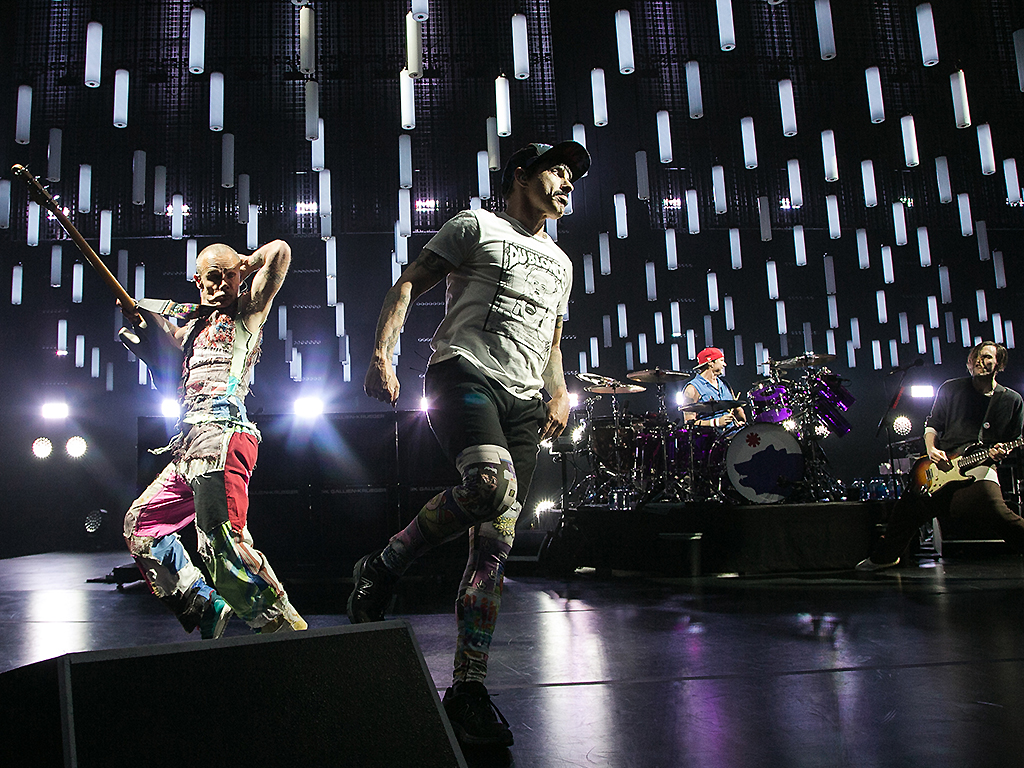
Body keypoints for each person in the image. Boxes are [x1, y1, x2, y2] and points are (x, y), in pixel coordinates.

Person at [350, 140, 590, 747]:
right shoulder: (474, 225)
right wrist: (382, 351)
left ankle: (469, 687)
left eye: (571, 176)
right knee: (488, 487)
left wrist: (559, 393)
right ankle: (388, 562)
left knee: (495, 547)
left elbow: (554, 338)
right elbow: (409, 283)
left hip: (527, 399)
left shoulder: (560, 262)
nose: (565, 183)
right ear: (520, 176)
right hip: (464, 371)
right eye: (554, 171)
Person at [122, 240, 307, 637]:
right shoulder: (188, 328)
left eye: (231, 276)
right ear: (197, 280)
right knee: (141, 525)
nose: (222, 284)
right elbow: (164, 344)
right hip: (187, 444)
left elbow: (280, 253)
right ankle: (203, 603)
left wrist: (246, 262)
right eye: (213, 276)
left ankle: (281, 626)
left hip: (223, 437)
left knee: (222, 543)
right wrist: (143, 328)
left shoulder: (247, 313)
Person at [857, 341, 1024, 571]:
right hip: (943, 464)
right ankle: (884, 557)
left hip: (981, 464)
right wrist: (932, 449)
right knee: (909, 507)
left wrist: (1000, 452)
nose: (979, 361)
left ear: (999, 363)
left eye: (986, 357)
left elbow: (1014, 440)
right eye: (976, 356)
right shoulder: (951, 388)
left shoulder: (1011, 400)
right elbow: (932, 424)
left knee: (995, 510)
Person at [680, 347, 746, 428]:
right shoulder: (692, 388)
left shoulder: (725, 384)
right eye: (721, 360)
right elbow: (689, 423)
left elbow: (737, 411)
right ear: (711, 363)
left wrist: (740, 421)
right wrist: (715, 423)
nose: (724, 364)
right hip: (711, 438)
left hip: (733, 434)